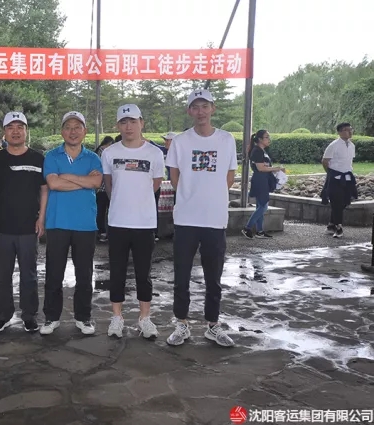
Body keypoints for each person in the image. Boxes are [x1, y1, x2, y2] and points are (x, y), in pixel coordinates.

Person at [165, 89, 237, 348]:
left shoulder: (226, 140)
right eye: (195, 107)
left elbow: (229, 176)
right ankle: (181, 324)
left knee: (213, 277)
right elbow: (174, 175)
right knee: (182, 275)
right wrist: (190, 195)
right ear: (189, 111)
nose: (200, 111)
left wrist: (212, 195)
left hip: (214, 219)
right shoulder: (181, 141)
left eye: (205, 106)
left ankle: (212, 325)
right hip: (186, 218)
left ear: (212, 109)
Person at [101, 104, 165, 340]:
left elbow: (155, 184)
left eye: (133, 121)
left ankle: (144, 318)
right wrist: (122, 201)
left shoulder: (154, 153)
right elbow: (109, 185)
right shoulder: (109, 153)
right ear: (118, 125)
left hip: (144, 222)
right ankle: (117, 317)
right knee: (116, 271)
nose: (128, 126)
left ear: (141, 123)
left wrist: (139, 201)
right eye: (123, 122)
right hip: (118, 221)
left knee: (143, 273)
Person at [40, 111, 103, 336]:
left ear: (85, 131)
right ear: (62, 131)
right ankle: (51, 317)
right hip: (57, 222)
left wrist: (66, 176)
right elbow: (53, 184)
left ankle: (83, 317)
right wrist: (84, 181)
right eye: (68, 127)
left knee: (84, 274)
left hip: (85, 224)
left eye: (77, 127)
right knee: (54, 273)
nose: (73, 131)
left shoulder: (93, 158)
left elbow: (97, 182)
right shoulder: (52, 156)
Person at [0, 111, 48, 333]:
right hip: (2, 228)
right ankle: (3, 315)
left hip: (29, 227)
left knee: (29, 275)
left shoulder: (38, 158)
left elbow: (44, 190)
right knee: (2, 275)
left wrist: (41, 218)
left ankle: (29, 316)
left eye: (20, 127)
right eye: (11, 127)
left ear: (26, 131)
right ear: (4, 132)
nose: (16, 131)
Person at [241, 130, 285, 239]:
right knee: (263, 207)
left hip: (263, 179)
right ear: (260, 139)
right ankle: (247, 228)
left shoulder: (261, 150)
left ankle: (259, 231)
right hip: (260, 180)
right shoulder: (257, 151)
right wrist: (276, 168)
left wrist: (275, 170)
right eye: (266, 137)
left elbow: (264, 166)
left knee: (260, 206)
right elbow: (261, 168)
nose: (269, 139)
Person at [321, 122, 357, 239]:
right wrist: (331, 173)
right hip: (335, 177)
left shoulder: (351, 145)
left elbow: (349, 162)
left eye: (351, 129)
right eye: (347, 130)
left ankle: (331, 225)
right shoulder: (334, 145)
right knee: (336, 201)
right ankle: (338, 227)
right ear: (340, 132)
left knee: (345, 201)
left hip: (347, 177)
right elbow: (325, 161)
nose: (350, 132)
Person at [94, 135, 114, 242]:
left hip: (100, 189)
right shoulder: (104, 152)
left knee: (100, 211)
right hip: (104, 187)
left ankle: (101, 232)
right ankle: (104, 232)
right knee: (106, 211)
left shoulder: (98, 151)